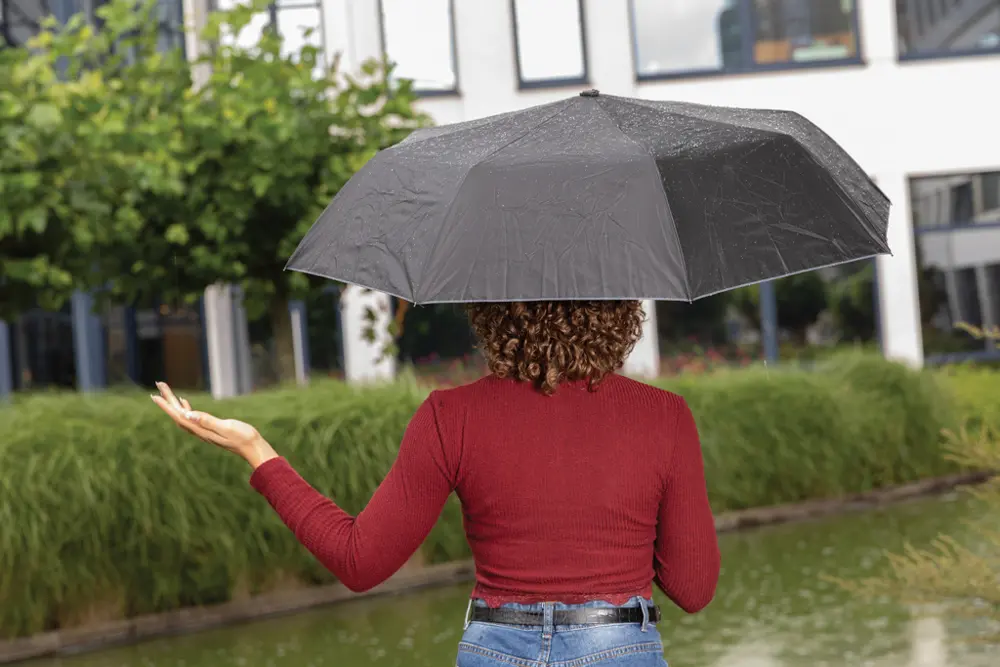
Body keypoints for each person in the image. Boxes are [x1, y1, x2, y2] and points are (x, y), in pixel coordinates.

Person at [153, 300, 721, 666]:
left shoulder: (451, 417)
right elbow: (693, 589)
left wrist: (257, 451)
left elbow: (359, 561)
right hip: (617, 646)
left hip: (494, 649)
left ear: (494, 312)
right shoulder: (662, 416)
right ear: (617, 313)